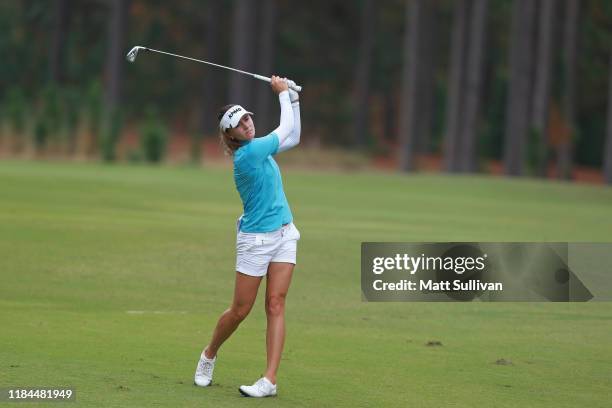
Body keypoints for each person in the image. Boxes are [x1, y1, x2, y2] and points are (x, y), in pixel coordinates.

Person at [194, 76, 301, 398]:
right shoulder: (248, 155)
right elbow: (284, 131)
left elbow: (293, 138)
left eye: (248, 118)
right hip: (256, 240)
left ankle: (269, 380)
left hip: (284, 233)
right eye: (240, 124)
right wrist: (283, 94)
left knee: (276, 303)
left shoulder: (257, 148)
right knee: (241, 310)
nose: (248, 125)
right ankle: (209, 353)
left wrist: (293, 100)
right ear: (231, 135)